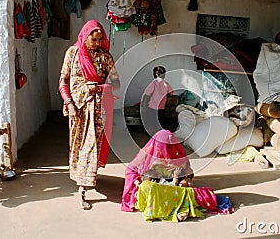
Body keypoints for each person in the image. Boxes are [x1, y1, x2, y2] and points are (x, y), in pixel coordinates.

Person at [58, 20, 120, 210]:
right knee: (80, 146)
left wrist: (99, 87)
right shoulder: (73, 53)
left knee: (92, 146)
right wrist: (69, 102)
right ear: (85, 37)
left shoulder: (105, 57)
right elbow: (63, 81)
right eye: (94, 39)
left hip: (99, 109)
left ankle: (84, 186)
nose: (97, 43)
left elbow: (116, 84)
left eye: (100, 39)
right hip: (79, 109)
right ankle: (83, 183)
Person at [121, 129, 234, 222]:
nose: (165, 152)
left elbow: (188, 177)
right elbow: (131, 170)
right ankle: (180, 209)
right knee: (150, 189)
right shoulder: (147, 153)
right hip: (150, 189)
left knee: (188, 194)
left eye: (168, 147)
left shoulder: (176, 154)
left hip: (172, 189)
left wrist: (181, 179)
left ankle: (186, 206)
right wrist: (137, 182)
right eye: (163, 147)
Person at [141, 66, 173, 135]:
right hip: (162, 107)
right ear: (164, 75)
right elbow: (171, 93)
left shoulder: (153, 83)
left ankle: (150, 132)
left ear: (155, 74)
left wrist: (144, 103)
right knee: (160, 121)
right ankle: (160, 134)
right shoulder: (166, 84)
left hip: (152, 106)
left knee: (151, 120)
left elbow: (147, 94)